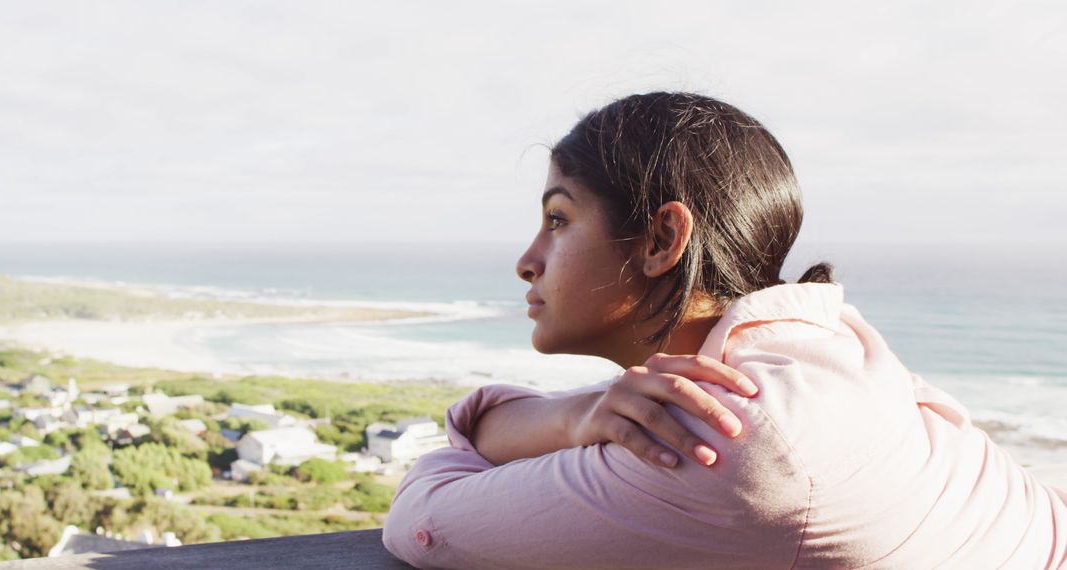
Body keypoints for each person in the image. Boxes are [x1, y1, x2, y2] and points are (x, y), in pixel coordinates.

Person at [381, 92, 1067, 569]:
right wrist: (576, 415)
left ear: (661, 238)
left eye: (558, 219)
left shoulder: (726, 443)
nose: (527, 261)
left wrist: (547, 424)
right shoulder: (830, 346)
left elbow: (424, 519)